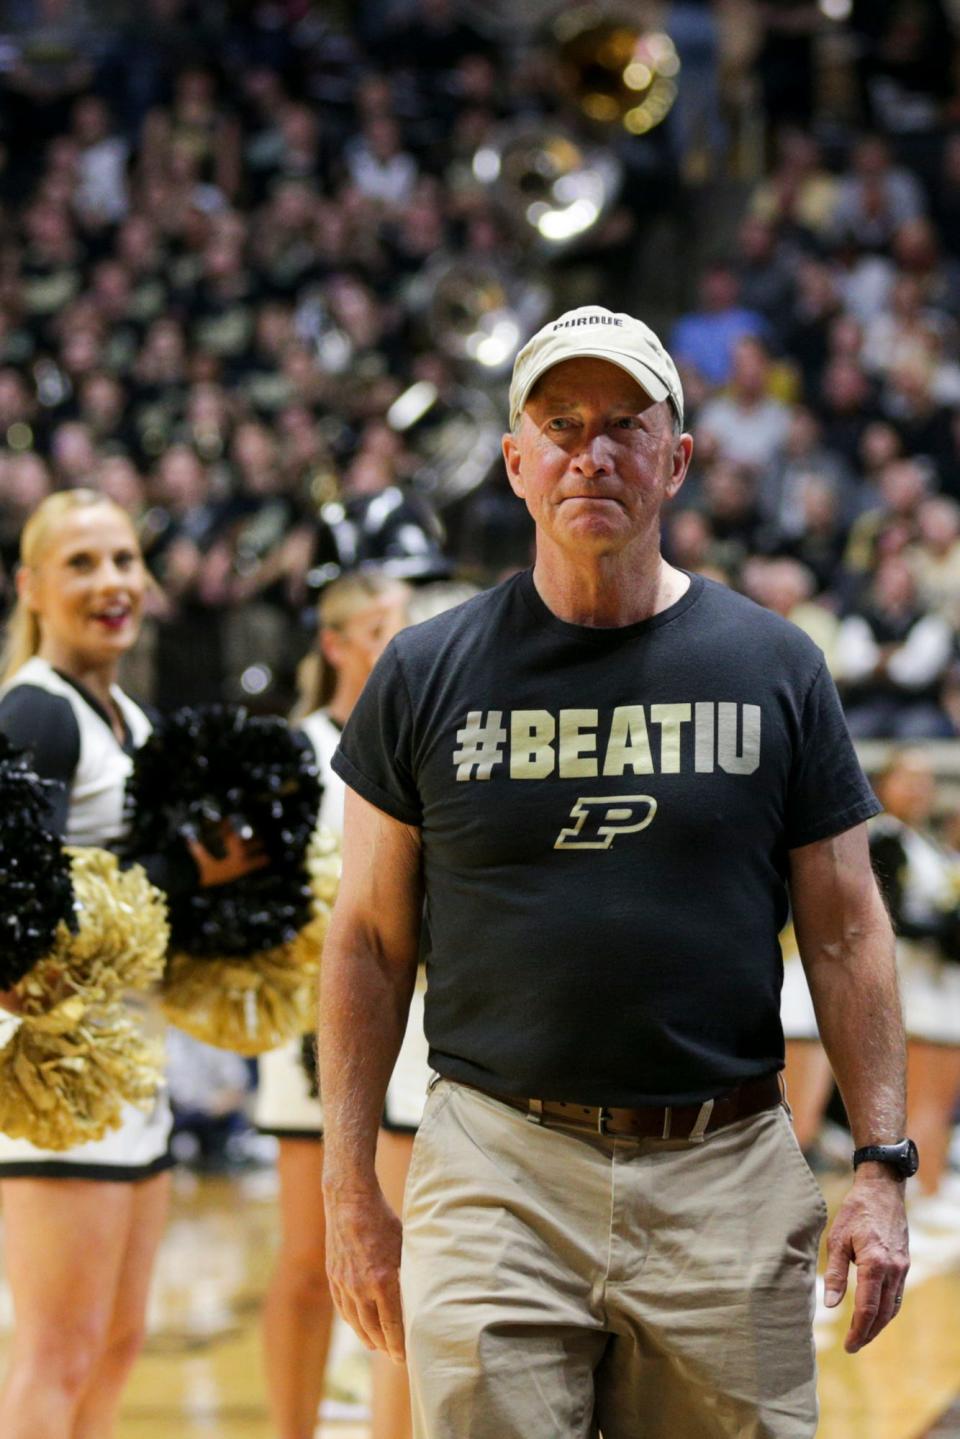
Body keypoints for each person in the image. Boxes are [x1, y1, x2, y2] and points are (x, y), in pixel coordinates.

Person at [318, 305, 914, 1439]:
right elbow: (369, 941)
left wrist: (882, 1161)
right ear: (515, 460)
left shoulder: (776, 667)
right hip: (497, 1164)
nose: (592, 450)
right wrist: (349, 1187)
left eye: (626, 425)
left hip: (726, 1168)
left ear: (677, 458)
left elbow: (846, 932)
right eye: (561, 423)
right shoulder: (424, 671)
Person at [0, 488, 261, 1439]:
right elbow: (24, 910)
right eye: (80, 563)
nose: (110, 581)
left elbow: (145, 899)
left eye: (122, 560)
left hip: (134, 1068)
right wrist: (194, 862)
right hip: (57, 1087)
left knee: (113, 1346)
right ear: (30, 586)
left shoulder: (130, 717)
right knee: (57, 1356)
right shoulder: (36, 713)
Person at [254, 569, 415, 1439]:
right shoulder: (293, 752)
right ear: (335, 641)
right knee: (308, 1257)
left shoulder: (418, 736)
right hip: (307, 1027)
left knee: (400, 1251)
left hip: (415, 1021)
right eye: (379, 624)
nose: (395, 637)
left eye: (403, 622)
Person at [869, 749, 960, 1219]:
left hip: (942, 986)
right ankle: (913, 1196)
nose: (920, 789)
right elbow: (896, 916)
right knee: (920, 1093)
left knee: (943, 1094)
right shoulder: (884, 839)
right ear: (884, 785)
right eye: (909, 779)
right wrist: (947, 926)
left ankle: (933, 1183)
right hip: (910, 982)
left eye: (927, 781)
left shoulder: (926, 843)